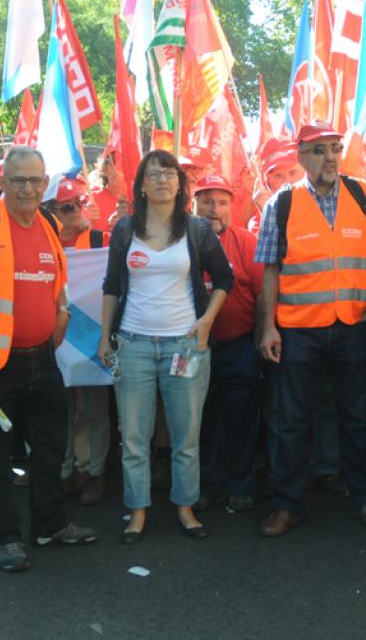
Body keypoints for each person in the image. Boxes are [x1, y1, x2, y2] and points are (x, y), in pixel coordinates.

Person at [0, 146, 97, 572]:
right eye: (18, 180)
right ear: (3, 182)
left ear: (44, 183)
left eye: (35, 181)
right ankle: (6, 539)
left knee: (50, 449)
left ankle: (49, 525)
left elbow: (59, 281)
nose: (27, 189)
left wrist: (63, 311)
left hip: (42, 360)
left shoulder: (49, 223)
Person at [255, 124, 366, 537]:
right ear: (301, 156)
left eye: (334, 149)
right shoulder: (282, 203)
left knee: (354, 417)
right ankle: (287, 505)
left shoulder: (362, 194)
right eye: (318, 150)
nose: (330, 157)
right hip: (297, 330)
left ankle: (363, 499)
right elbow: (270, 271)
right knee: (292, 419)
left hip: (351, 326)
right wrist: (267, 329)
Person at [98, 150, 232, 544]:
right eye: (153, 174)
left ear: (179, 183)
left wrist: (206, 321)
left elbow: (225, 278)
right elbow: (111, 287)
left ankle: (185, 507)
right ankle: (137, 512)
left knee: (185, 436)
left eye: (169, 173)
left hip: (185, 347)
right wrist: (106, 337)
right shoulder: (125, 230)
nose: (162, 180)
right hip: (134, 345)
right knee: (135, 438)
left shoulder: (197, 229)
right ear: (140, 185)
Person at [192, 174, 264, 515]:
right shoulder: (181, 243)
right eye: (207, 201)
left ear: (232, 207)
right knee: (202, 421)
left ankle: (240, 487)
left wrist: (262, 338)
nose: (214, 209)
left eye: (222, 202)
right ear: (193, 204)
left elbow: (264, 294)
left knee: (241, 420)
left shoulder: (247, 242)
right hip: (195, 349)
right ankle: (208, 486)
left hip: (239, 347)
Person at [45, 178, 109, 506]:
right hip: (56, 339)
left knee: (96, 411)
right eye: (65, 207)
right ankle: (66, 471)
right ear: (50, 212)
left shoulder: (100, 240)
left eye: (79, 204)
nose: (74, 212)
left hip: (92, 341)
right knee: (63, 412)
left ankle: (94, 473)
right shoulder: (43, 243)